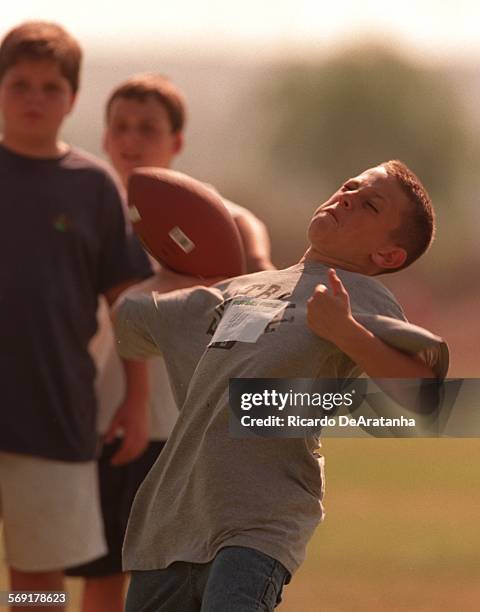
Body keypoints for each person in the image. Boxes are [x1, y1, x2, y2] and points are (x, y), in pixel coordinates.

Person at [114, 160, 448, 611]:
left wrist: (345, 330)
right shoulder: (236, 291)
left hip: (256, 526)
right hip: (170, 525)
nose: (347, 196)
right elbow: (123, 321)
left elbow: (424, 394)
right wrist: (176, 270)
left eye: (369, 204)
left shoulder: (356, 294)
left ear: (387, 257)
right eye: (349, 185)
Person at [65, 73, 274, 612]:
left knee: (166, 580)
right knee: (99, 575)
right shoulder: (83, 216)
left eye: (148, 128)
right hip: (102, 420)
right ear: (105, 136)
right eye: (121, 127)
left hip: (181, 426)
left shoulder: (215, 221)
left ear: (176, 142)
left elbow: (258, 273)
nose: (132, 140)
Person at [0, 21, 152, 610]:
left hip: (57, 415)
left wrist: (136, 401)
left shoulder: (93, 187)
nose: (35, 98)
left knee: (37, 590)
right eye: (19, 84)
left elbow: (127, 308)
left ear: (73, 98)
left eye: (50, 86)